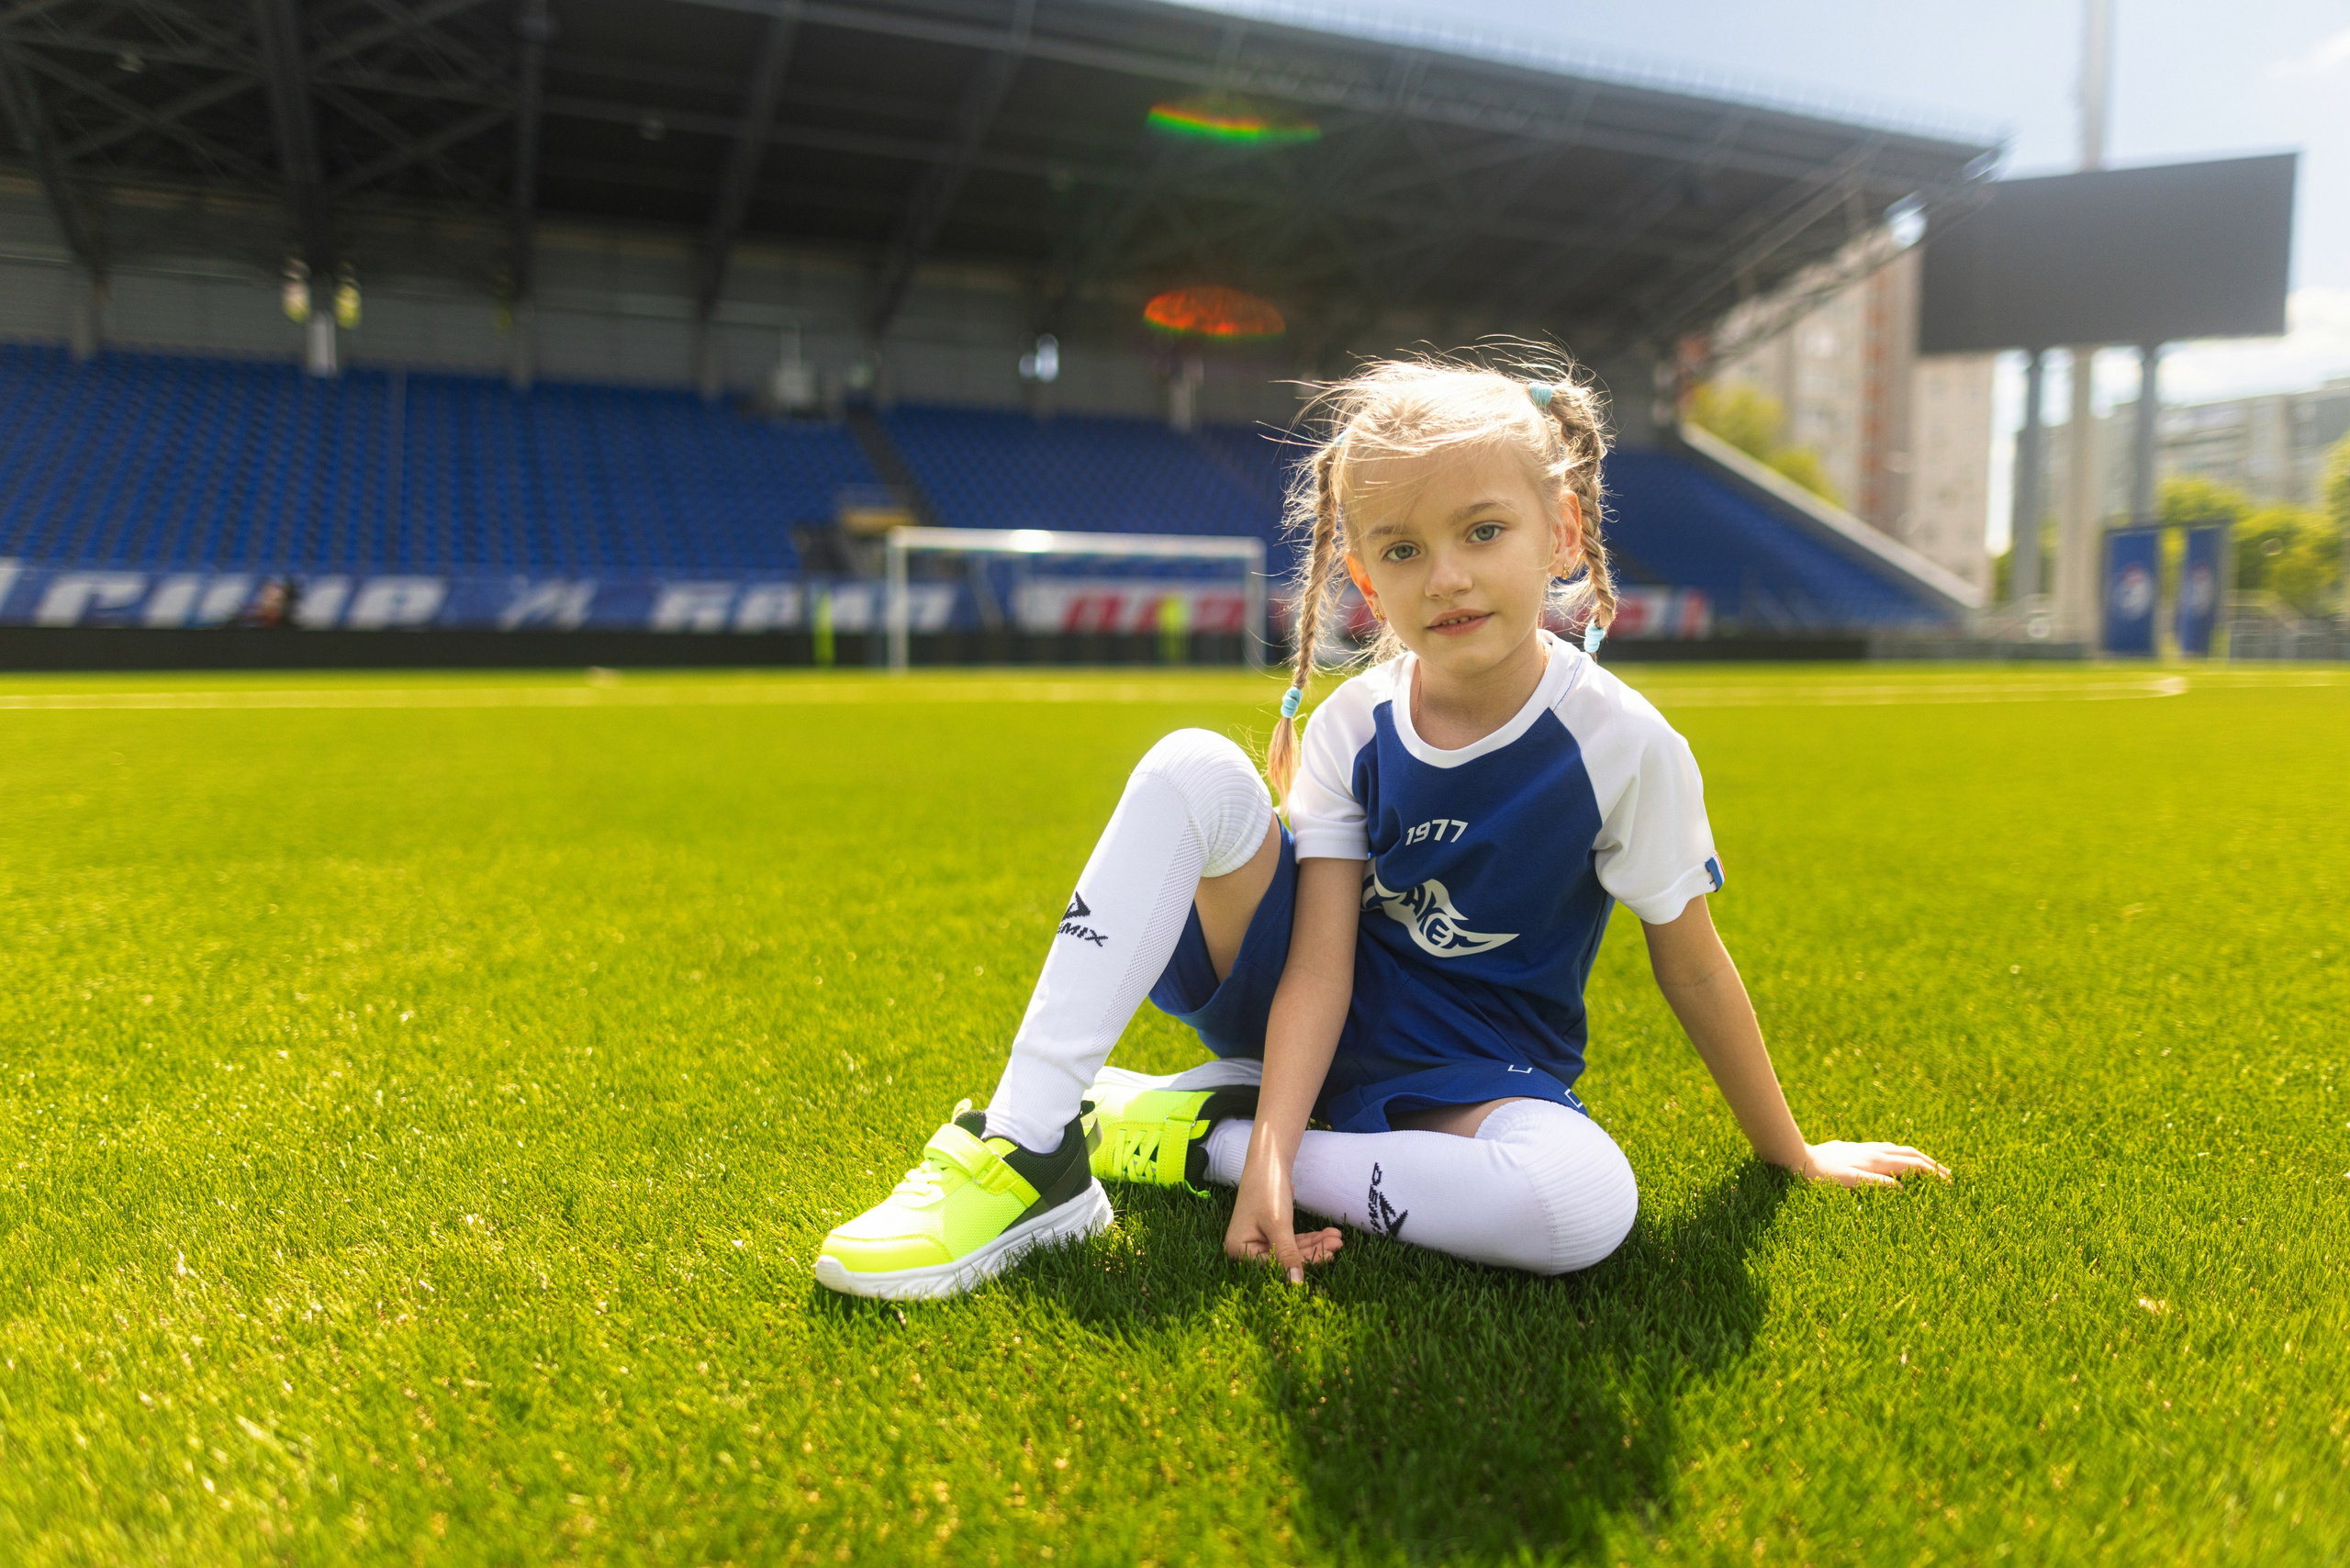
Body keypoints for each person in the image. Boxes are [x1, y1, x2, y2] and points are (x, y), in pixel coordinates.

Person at [814, 352, 1949, 1301]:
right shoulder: (1357, 723)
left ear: (1560, 533)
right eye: (1403, 549)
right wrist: (1279, 1151)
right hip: (1302, 1000)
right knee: (1195, 767)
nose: (1445, 576)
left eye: (1482, 530)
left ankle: (1185, 1138)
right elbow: (1316, 960)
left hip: (1471, 1063)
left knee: (1585, 1206)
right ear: (1362, 575)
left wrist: (1786, 1150)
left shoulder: (1623, 742)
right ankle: (1031, 1142)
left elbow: (1690, 964)